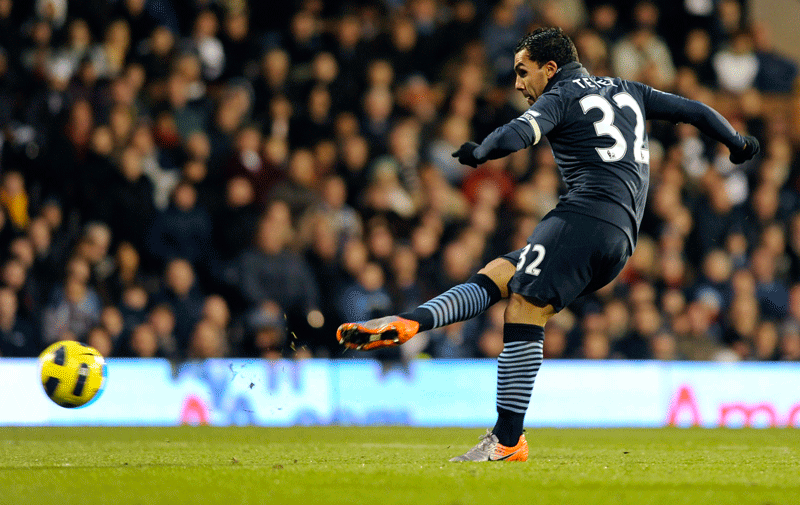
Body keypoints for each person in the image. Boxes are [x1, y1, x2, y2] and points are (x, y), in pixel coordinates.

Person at [336, 27, 759, 462]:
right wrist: (738, 143)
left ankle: (507, 438)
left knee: (524, 306)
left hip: (582, 219)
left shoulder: (560, 96)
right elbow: (695, 110)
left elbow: (518, 134)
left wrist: (480, 152)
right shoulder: (628, 88)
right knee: (500, 276)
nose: (518, 84)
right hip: (621, 236)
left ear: (550, 68)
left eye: (523, 72)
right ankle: (409, 323)